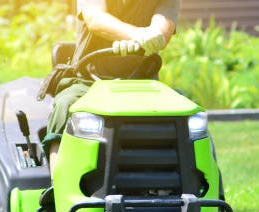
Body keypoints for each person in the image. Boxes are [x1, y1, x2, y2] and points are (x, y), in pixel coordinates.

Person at [44, 0, 181, 170]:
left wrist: (154, 35)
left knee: (184, 113)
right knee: (65, 105)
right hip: (89, 81)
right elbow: (95, 18)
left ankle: (189, 185)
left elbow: (163, 27)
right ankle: (57, 184)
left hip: (143, 84)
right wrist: (136, 34)